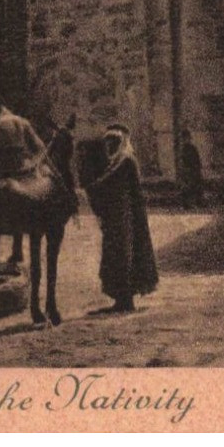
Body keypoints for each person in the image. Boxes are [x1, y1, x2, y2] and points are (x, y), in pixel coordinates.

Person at [84, 124, 159, 312]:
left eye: (114, 142)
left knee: (123, 254)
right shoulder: (118, 159)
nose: (110, 146)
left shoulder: (125, 160)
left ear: (121, 142)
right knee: (116, 254)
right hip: (118, 215)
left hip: (125, 217)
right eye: (108, 143)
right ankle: (121, 299)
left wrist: (90, 187)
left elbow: (109, 180)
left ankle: (125, 301)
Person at [0, 89, 47, 265]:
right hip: (25, 174)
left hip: (4, 174)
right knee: (19, 208)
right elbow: (40, 148)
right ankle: (17, 252)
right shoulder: (22, 123)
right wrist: (31, 165)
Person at [176, 128, 205, 209]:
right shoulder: (183, 150)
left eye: (187, 138)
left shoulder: (193, 148)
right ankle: (186, 204)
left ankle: (198, 202)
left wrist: (197, 169)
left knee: (196, 186)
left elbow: (197, 160)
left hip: (194, 171)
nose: (186, 140)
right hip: (187, 172)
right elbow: (181, 161)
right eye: (184, 139)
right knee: (186, 188)